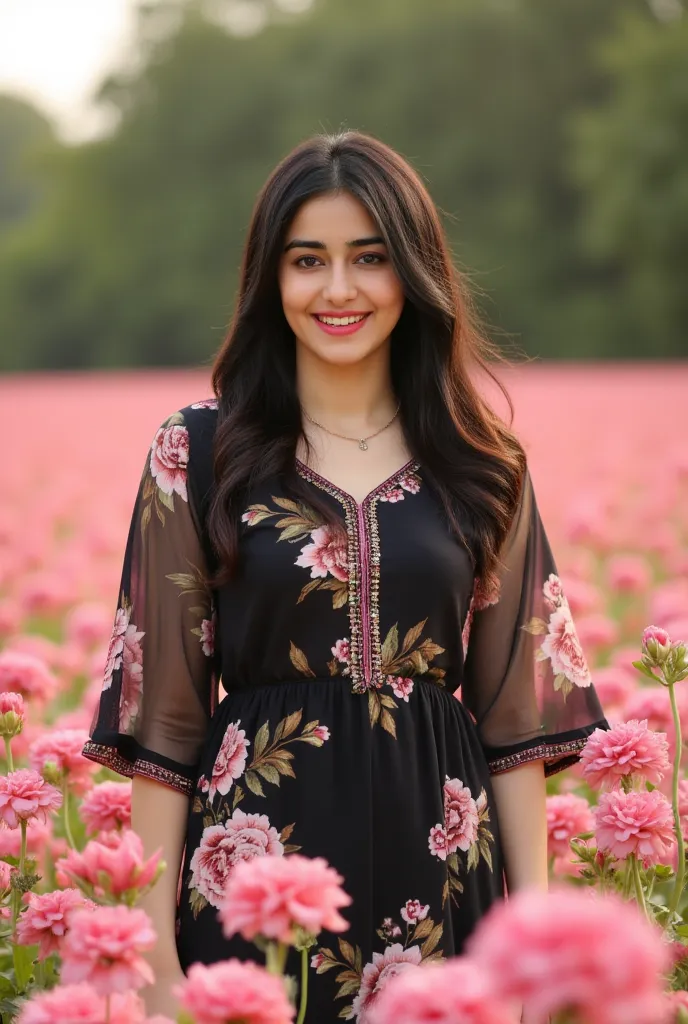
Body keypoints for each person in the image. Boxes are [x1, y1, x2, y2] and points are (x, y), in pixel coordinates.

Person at [83, 131, 609, 1022]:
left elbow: (514, 724)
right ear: (269, 280)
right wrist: (155, 958)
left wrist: (533, 957)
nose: (338, 289)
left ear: (413, 271)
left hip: (445, 876)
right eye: (307, 260)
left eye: (369, 258)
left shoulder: (483, 462)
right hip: (252, 878)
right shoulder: (201, 450)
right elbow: (164, 714)